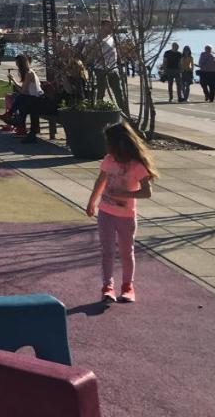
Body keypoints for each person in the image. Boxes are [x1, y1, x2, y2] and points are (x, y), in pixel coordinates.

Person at [85, 122, 158, 304]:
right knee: (107, 251)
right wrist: (92, 201)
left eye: (109, 142)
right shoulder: (109, 160)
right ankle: (107, 286)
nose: (107, 146)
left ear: (120, 143)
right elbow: (100, 180)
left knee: (126, 252)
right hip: (106, 212)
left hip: (126, 216)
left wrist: (125, 194)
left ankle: (127, 287)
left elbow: (147, 192)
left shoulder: (137, 166)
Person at [1, 53, 43, 143]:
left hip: (37, 99)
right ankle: (17, 121)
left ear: (21, 64)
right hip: (32, 98)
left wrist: (13, 81)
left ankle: (15, 119)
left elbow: (23, 91)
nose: (16, 65)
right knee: (20, 99)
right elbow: (25, 91)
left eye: (17, 64)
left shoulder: (29, 73)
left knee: (21, 98)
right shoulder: (29, 72)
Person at [93, 23, 125, 113]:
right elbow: (93, 52)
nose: (111, 28)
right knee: (101, 91)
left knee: (118, 91)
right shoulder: (98, 39)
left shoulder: (112, 38)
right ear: (103, 27)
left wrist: (120, 61)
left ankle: (123, 111)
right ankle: (99, 111)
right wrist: (99, 56)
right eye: (109, 26)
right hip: (101, 69)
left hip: (113, 68)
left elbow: (116, 51)